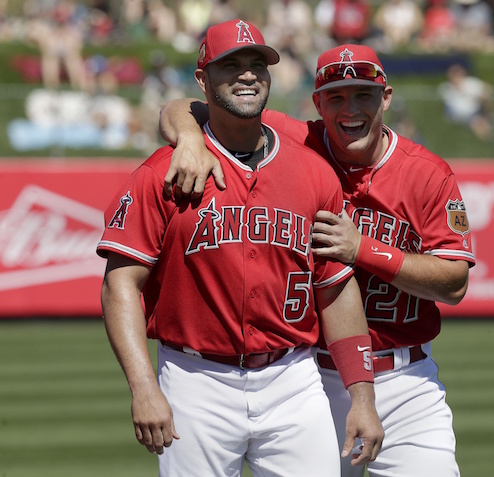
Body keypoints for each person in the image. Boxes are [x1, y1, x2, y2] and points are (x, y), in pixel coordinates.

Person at [160, 42, 476, 477]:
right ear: (318, 103)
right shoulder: (296, 138)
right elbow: (184, 106)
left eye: (363, 93)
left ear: (386, 97)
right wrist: (191, 138)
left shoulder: (427, 173)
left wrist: (362, 248)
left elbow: (454, 283)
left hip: (406, 379)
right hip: (310, 378)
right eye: (337, 97)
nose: (350, 109)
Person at [97, 20, 384, 477]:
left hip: (293, 377)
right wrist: (143, 387)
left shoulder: (312, 173)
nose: (247, 75)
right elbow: (120, 286)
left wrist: (362, 397)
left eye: (257, 65)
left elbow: (333, 287)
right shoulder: (162, 174)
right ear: (203, 79)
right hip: (196, 379)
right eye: (231, 65)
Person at [438, 62, 494, 142]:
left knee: (478, 122)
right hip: (458, 116)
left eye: (457, 74)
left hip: (474, 112)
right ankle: (489, 140)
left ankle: (489, 132)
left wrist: (480, 96)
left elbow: (488, 89)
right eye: (453, 74)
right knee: (477, 123)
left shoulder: (472, 83)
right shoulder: (445, 88)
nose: (455, 77)